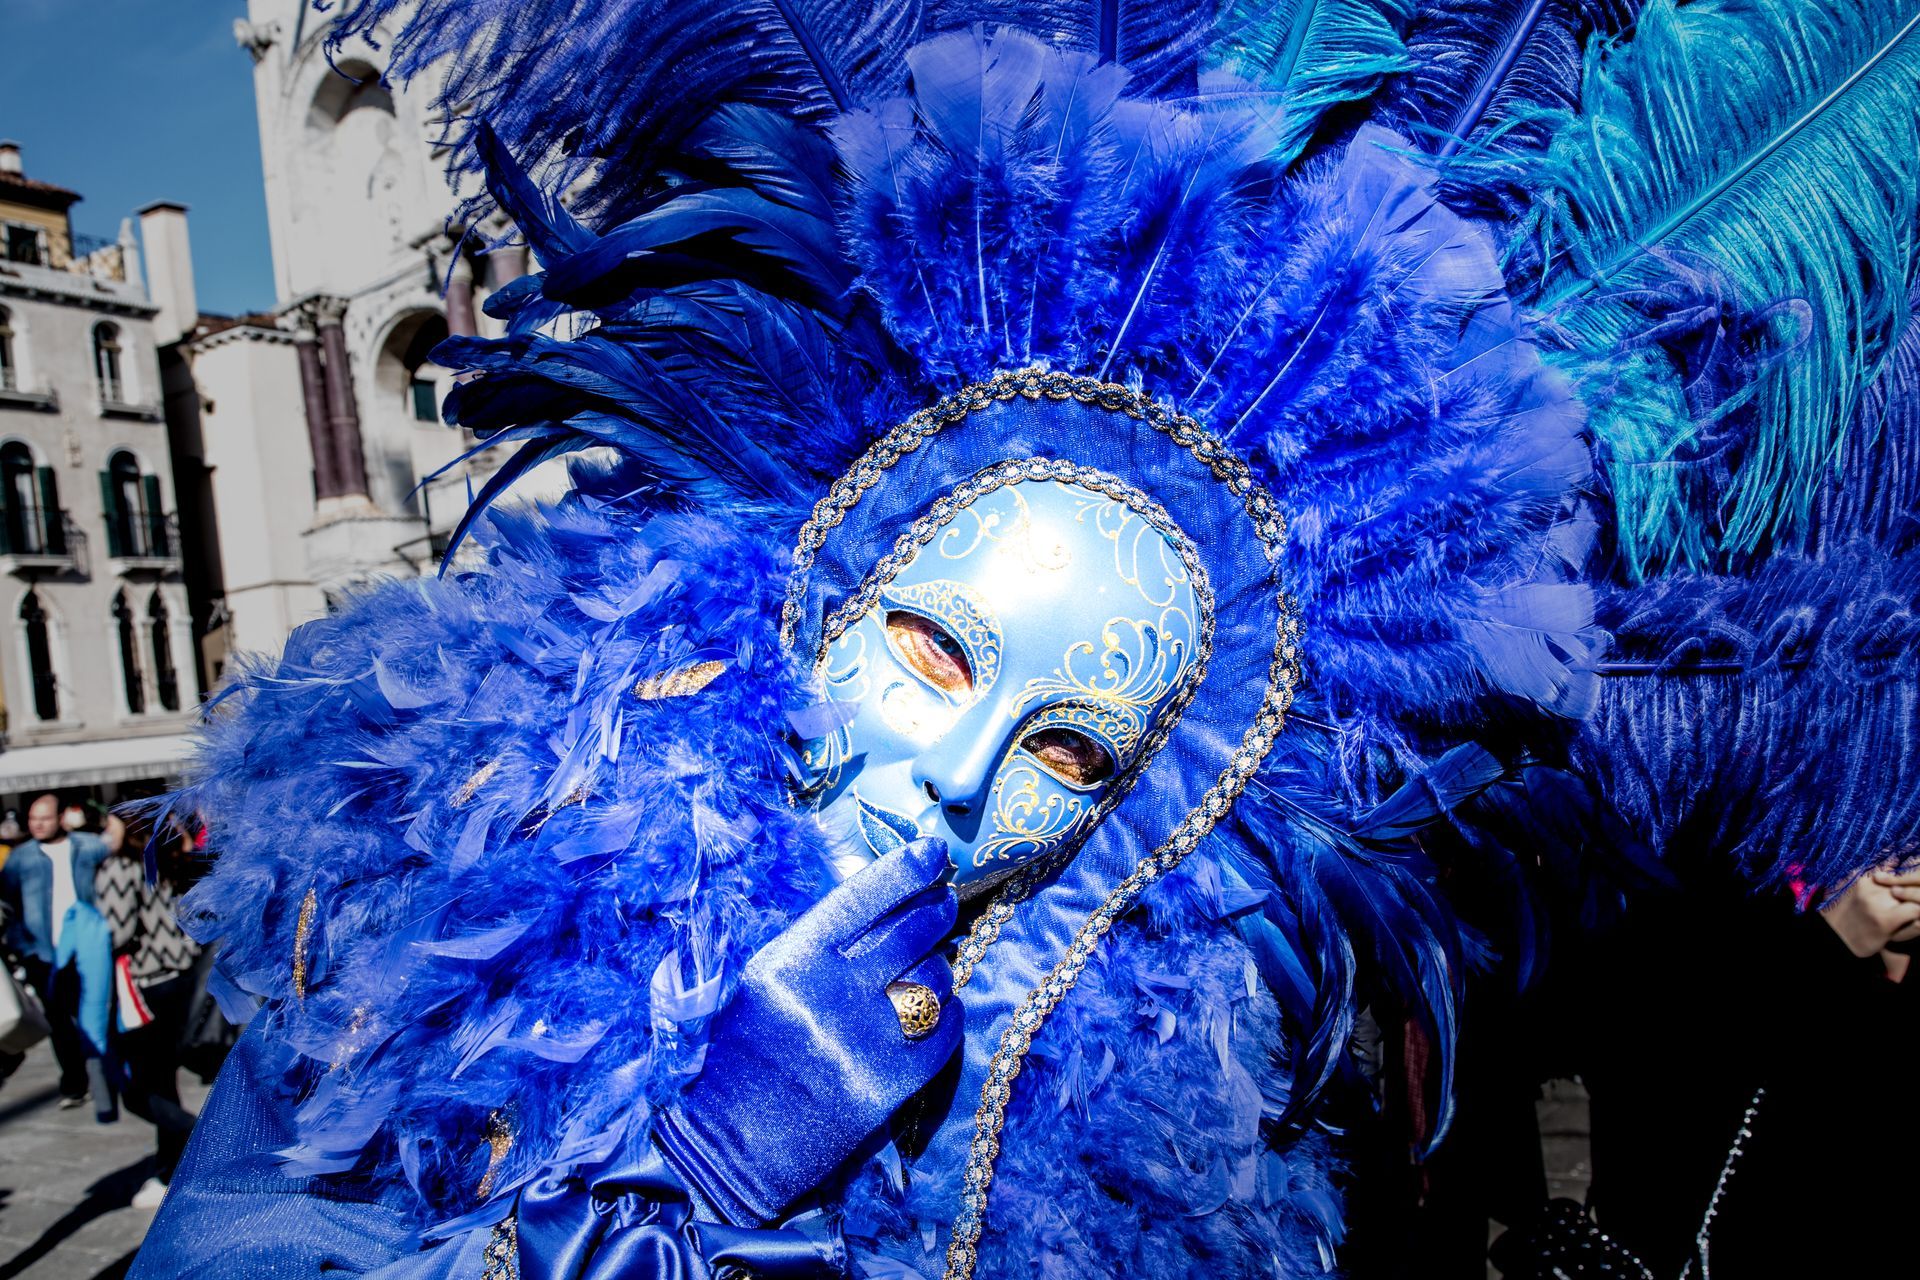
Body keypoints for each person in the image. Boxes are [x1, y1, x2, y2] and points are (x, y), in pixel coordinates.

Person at [97, 814, 203, 1209]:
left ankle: (197, 1138)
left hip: (144, 986)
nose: (104, 834)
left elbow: (118, 931)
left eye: (109, 826)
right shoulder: (171, 857)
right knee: (164, 1081)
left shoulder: (120, 867)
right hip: (184, 980)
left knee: (140, 1091)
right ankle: (169, 1169)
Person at [0, 792, 112, 1115]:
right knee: (60, 1024)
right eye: (33, 818)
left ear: (61, 817)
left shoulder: (86, 846)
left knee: (95, 1016)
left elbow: (116, 843)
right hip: (43, 955)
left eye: (44, 818)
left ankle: (107, 1077)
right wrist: (23, 947)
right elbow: (7, 905)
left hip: (88, 950)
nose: (37, 824)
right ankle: (75, 1083)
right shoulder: (20, 858)